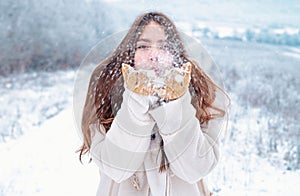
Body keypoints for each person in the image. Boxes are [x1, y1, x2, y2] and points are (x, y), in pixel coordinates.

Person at [77, 11, 230, 196]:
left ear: (175, 55)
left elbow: (195, 169)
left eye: (164, 47)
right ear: (130, 54)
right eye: (143, 46)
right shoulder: (107, 95)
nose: (154, 55)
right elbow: (117, 168)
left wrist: (174, 103)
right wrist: (136, 101)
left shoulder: (200, 95)